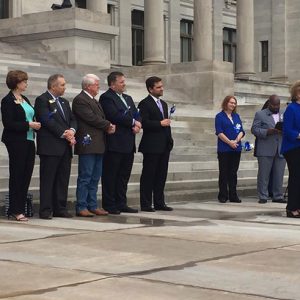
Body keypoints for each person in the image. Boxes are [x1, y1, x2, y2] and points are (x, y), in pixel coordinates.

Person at [72, 74, 115, 217]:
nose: (98, 87)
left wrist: (107, 125)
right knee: (86, 176)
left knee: (95, 176)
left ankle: (93, 204)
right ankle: (81, 206)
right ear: (88, 86)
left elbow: (98, 117)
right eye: (96, 84)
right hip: (88, 143)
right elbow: (90, 118)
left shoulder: (94, 100)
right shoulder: (80, 100)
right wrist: (108, 125)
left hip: (98, 143)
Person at [34, 74, 77, 219]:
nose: (65, 87)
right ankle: (46, 209)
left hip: (65, 146)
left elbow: (72, 119)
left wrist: (72, 131)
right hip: (50, 146)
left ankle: (60, 208)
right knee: (48, 179)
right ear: (53, 86)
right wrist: (63, 133)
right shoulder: (42, 100)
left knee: (62, 179)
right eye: (62, 85)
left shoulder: (64, 102)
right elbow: (46, 119)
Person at [1, 70, 41, 221]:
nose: (26, 84)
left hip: (29, 140)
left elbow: (31, 114)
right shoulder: (7, 100)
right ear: (17, 83)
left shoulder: (24, 99)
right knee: (17, 174)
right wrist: (29, 124)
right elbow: (9, 123)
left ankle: (19, 208)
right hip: (16, 142)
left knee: (26, 174)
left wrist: (35, 123)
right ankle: (15, 210)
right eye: (24, 81)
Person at [100, 71, 141, 214]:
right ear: (112, 84)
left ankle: (121, 202)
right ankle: (110, 204)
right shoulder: (106, 98)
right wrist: (133, 122)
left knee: (124, 175)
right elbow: (113, 115)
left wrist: (138, 124)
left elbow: (136, 113)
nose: (124, 84)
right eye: (121, 82)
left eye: (124, 81)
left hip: (129, 142)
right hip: (115, 143)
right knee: (111, 175)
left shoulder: (128, 98)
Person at [138, 76, 173, 212]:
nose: (161, 89)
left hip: (164, 145)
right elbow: (144, 123)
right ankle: (146, 203)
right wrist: (159, 123)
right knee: (149, 175)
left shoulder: (163, 104)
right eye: (158, 87)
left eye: (162, 86)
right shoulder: (144, 104)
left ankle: (159, 202)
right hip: (151, 145)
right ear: (150, 89)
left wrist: (169, 140)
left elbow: (166, 124)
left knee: (161, 175)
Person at [251, 95, 286, 204]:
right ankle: (263, 196)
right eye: (274, 105)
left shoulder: (283, 114)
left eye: (278, 105)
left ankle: (278, 196)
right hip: (266, 148)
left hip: (280, 149)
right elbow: (254, 129)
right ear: (269, 103)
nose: (276, 107)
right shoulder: (260, 114)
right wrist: (267, 131)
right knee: (264, 174)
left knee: (279, 174)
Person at [215, 95, 245, 203]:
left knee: (233, 173)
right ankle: (223, 195)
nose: (233, 105)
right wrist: (229, 142)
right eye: (231, 102)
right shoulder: (219, 116)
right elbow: (219, 132)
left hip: (236, 148)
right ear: (226, 103)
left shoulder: (236, 116)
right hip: (224, 149)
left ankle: (233, 195)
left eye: (234, 103)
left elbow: (241, 130)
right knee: (224, 172)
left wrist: (236, 141)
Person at [281, 80, 300, 218]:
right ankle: (291, 208)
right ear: (297, 93)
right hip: (292, 147)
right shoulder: (291, 108)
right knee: (296, 177)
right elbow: (287, 130)